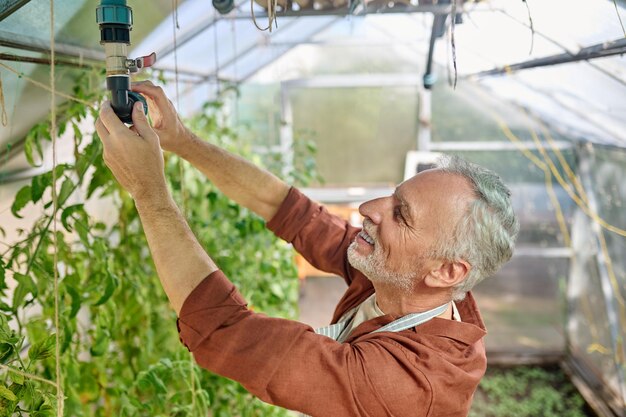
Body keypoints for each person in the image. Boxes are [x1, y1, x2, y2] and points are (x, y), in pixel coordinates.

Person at [95, 80, 519, 417]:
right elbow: (289, 210)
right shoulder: (404, 280)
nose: (368, 209)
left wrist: (148, 191)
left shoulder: (404, 383)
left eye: (400, 214)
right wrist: (183, 142)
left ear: (447, 272)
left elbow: (224, 330)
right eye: (390, 197)